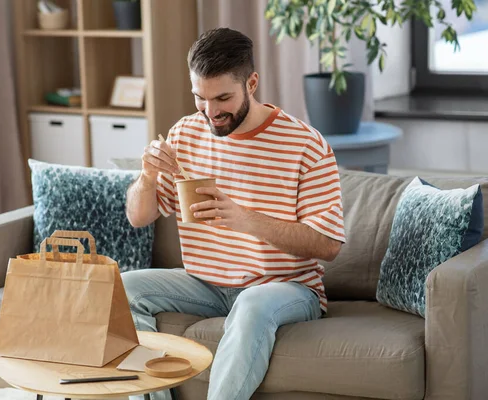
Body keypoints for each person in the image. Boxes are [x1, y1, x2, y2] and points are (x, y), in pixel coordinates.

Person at [122, 27, 345, 400]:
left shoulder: (306, 145)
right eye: (200, 98)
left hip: (285, 287)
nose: (211, 112)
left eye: (222, 98)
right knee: (123, 289)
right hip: (204, 284)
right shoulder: (185, 135)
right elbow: (138, 217)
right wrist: (146, 177)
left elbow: (328, 245)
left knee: (252, 303)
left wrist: (244, 219)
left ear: (252, 82)